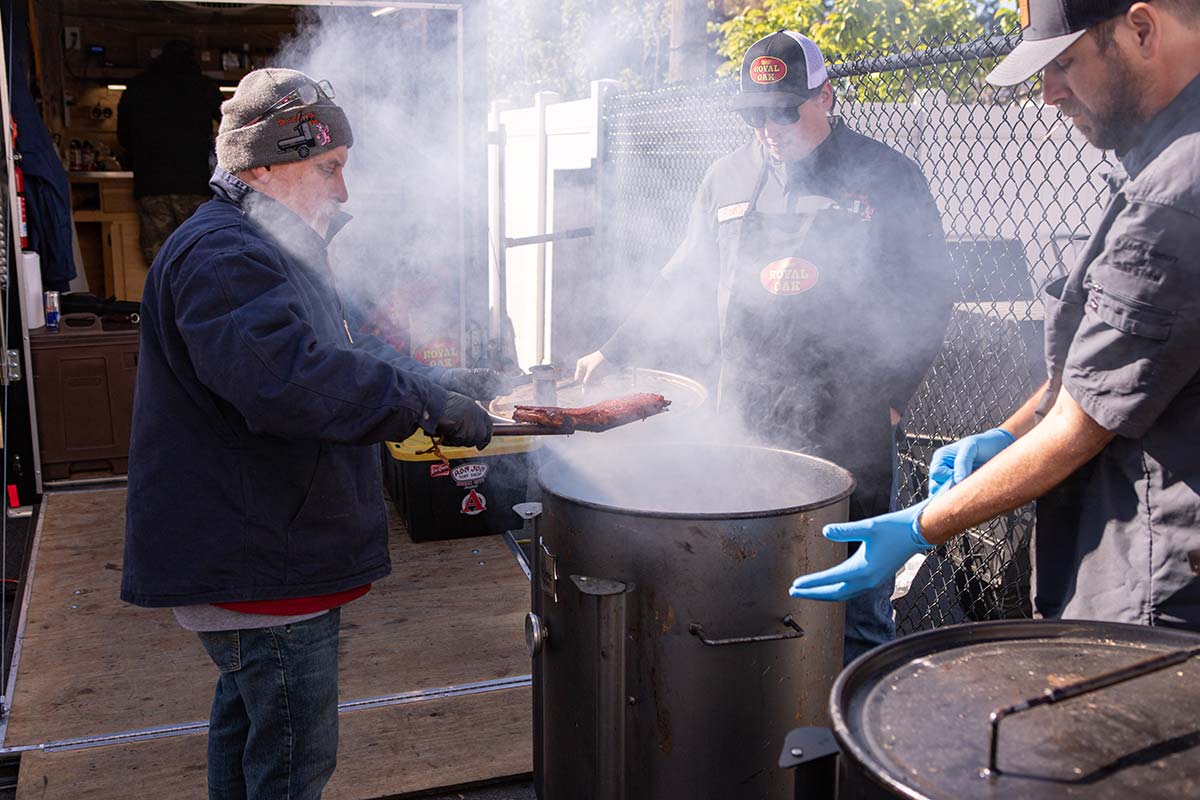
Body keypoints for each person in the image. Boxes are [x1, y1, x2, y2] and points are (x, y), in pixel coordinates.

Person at [120, 68, 500, 799]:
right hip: (259, 561)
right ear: (263, 164)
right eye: (329, 168)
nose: (343, 191)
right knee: (293, 765)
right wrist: (419, 404)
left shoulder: (271, 247)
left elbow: (344, 351)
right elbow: (287, 383)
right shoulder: (226, 256)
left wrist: (454, 388)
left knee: (249, 731)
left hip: (257, 557)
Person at [790, 0, 1200, 632]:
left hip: (1162, 574)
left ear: (1142, 30)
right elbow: (1096, 369)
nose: (1048, 93)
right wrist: (1008, 434)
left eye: (1064, 63)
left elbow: (1080, 425)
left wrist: (924, 524)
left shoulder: (1174, 193)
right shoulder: (1163, 159)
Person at [576, 31, 954, 661]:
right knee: (753, 586)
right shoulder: (726, 177)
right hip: (750, 415)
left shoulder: (886, 177)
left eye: (784, 108)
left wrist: (894, 396)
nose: (769, 126)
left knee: (857, 604)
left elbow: (930, 292)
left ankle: (846, 747)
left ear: (826, 96)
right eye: (755, 112)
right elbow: (685, 274)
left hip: (850, 420)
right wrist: (613, 349)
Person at [117, 40, 223, 264]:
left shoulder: (137, 87)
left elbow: (123, 137)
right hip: (196, 184)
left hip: (152, 185)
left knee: (160, 259)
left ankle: (163, 299)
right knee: (200, 255)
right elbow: (227, 129)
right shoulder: (204, 86)